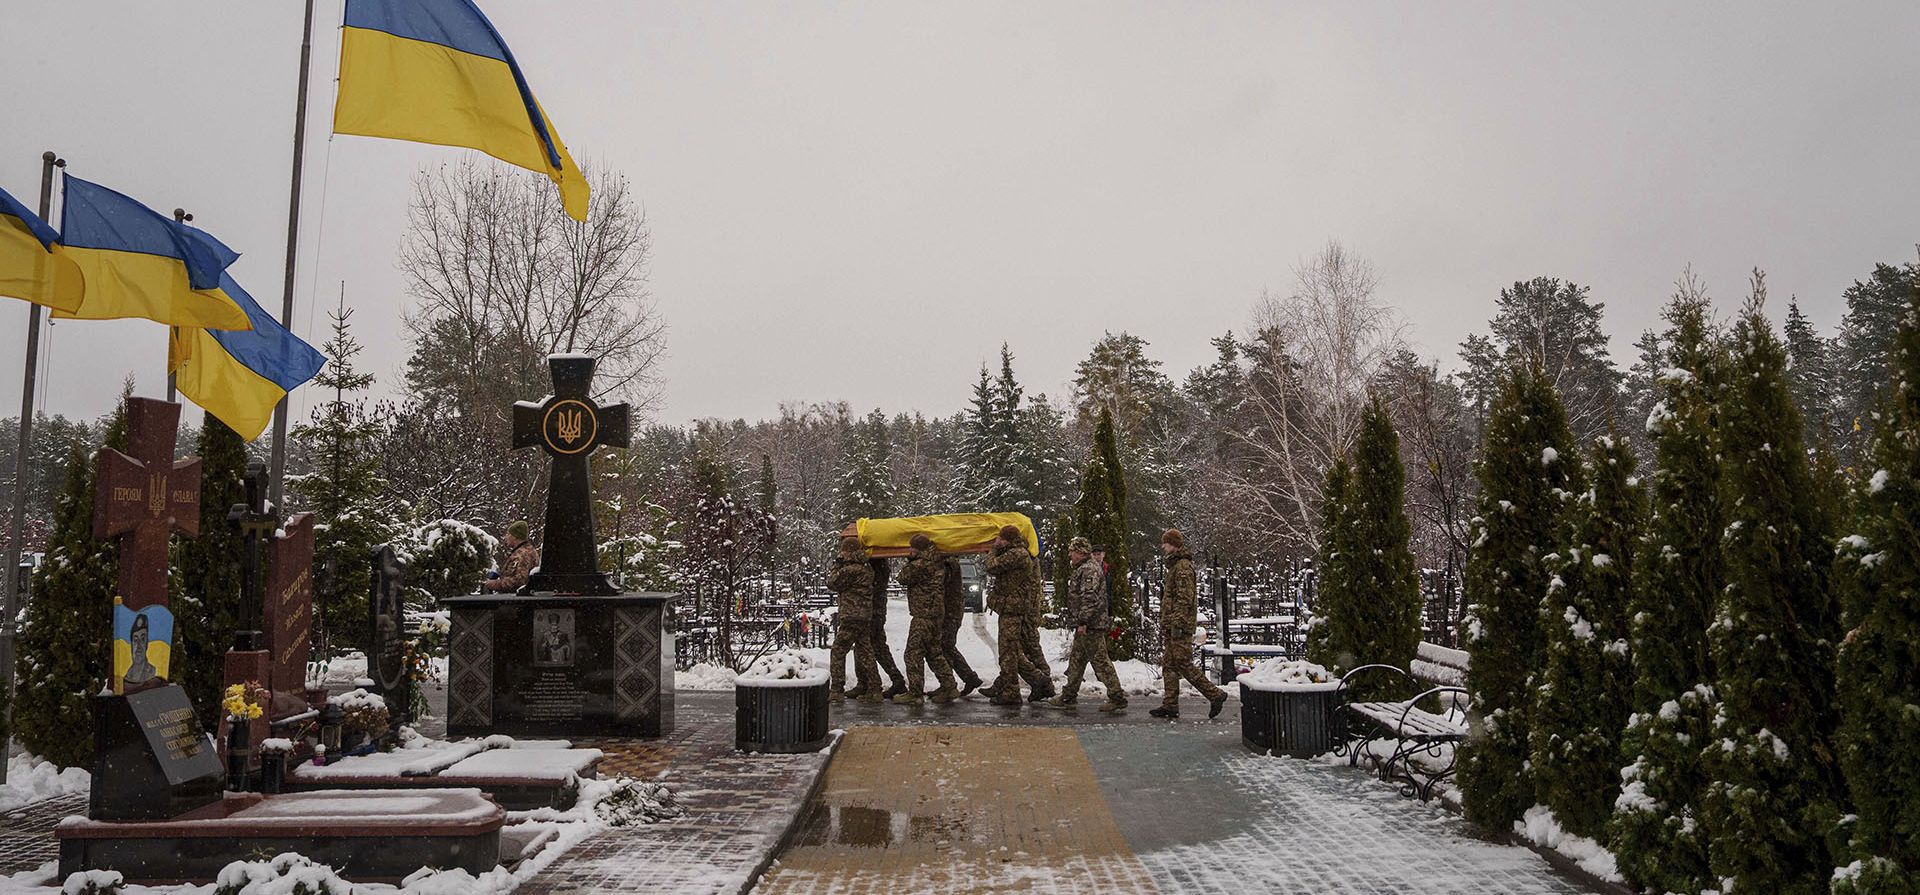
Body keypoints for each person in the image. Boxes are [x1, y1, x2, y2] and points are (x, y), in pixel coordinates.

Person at [1151, 528, 1229, 719]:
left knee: (1184, 663)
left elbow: (1184, 599)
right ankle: (1170, 704)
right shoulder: (1175, 566)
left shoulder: (1183, 567)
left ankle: (1215, 694)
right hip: (1172, 623)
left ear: (1174, 545)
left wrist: (1177, 623)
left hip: (1180, 625)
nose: (1163, 547)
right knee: (1169, 665)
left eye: (1166, 543)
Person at [1048, 537, 1127, 713]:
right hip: (1086, 624)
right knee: (1077, 660)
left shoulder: (1089, 570)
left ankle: (1117, 697)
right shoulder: (1084, 568)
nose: (1070, 555)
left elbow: (1089, 597)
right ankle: (1069, 695)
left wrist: (1083, 621)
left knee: (1100, 661)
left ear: (1081, 552)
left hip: (1091, 625)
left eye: (1072, 551)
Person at [981, 525, 1052, 706]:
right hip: (1013, 609)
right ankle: (1032, 682)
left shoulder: (1017, 554)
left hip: (1014, 610)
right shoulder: (1018, 553)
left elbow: (991, 566)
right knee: (1011, 651)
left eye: (1000, 539)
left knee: (1009, 652)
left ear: (1007, 540)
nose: (998, 541)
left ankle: (1023, 687)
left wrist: (993, 549)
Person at [893, 533, 959, 705]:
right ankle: (949, 686)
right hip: (936, 614)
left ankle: (915, 693)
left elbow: (902, 578)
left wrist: (910, 560)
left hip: (923, 614)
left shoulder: (920, 564)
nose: (909, 550)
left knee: (912, 653)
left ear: (918, 549)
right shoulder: (938, 561)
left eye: (912, 548)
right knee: (934, 653)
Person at [826, 536, 883, 703]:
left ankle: (836, 689)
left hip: (851, 616)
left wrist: (837, 564)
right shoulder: (866, 568)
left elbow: (833, 582)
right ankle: (875, 689)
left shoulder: (850, 570)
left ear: (848, 552)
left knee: (838, 650)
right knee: (866, 652)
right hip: (864, 616)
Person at [938, 550, 984, 697]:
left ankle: (953, 683)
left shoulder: (951, 564)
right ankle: (966, 679)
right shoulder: (951, 563)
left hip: (951, 611)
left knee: (945, 646)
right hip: (950, 610)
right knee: (947, 647)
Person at [485, 521, 539, 593]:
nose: (506, 537)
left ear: (515, 536)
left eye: (508, 534)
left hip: (515, 601)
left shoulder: (522, 555)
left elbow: (520, 582)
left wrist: (494, 584)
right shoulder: (526, 551)